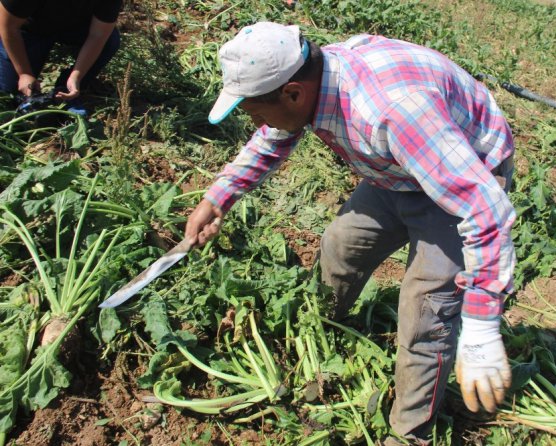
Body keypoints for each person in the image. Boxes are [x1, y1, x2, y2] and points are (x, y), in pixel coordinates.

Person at [185, 21, 515, 445]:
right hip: (397, 171)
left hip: (465, 173)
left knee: (425, 311)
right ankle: (321, 328)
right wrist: (218, 198)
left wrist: (482, 329)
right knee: (341, 245)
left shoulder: (390, 111)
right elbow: (276, 132)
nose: (258, 122)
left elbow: (486, 212)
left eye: (255, 111)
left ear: (292, 94)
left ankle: (408, 434)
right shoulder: (314, 78)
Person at [0, 0, 122, 116]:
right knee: (10, 92)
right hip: (29, 27)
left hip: (75, 26)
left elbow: (98, 35)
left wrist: (76, 76)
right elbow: (8, 26)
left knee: (110, 41)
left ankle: (65, 91)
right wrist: (24, 73)